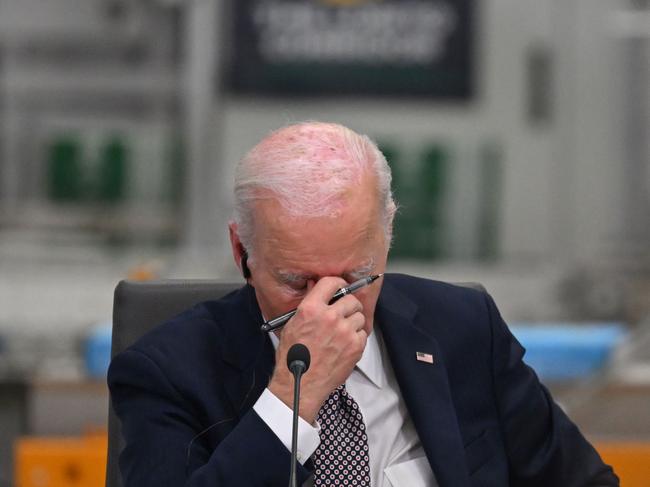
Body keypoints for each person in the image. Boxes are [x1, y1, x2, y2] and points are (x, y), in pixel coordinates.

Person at [108, 121, 618, 486]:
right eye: (296, 282)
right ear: (242, 251)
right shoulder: (166, 371)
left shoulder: (463, 328)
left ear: (387, 238)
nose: (327, 306)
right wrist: (290, 399)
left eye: (354, 277)